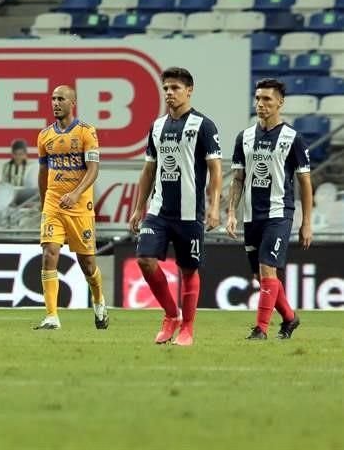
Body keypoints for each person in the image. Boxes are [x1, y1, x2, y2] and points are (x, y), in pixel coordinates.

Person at [129, 67, 222, 346]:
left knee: (188, 270)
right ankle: (171, 315)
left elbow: (215, 170)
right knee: (145, 260)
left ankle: (188, 328)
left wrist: (214, 207)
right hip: (158, 211)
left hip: (189, 213)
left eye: (175, 88)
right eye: (166, 88)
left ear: (189, 90)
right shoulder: (156, 126)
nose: (169, 93)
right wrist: (138, 208)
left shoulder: (204, 126)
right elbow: (148, 170)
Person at [225, 78, 312, 340]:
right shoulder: (245, 137)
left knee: (266, 269)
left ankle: (260, 330)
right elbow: (238, 178)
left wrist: (306, 222)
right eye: (258, 98)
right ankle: (289, 317)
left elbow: (305, 182)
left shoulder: (293, 138)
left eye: (267, 99)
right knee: (260, 275)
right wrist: (231, 212)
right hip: (252, 215)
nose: (260, 104)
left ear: (280, 103)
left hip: (279, 213)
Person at [35, 85, 108, 331]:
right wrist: (43, 201)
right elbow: (43, 171)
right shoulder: (45, 136)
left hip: (79, 205)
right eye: (53, 99)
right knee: (49, 254)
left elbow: (93, 169)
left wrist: (76, 193)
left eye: (61, 99)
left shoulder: (87, 132)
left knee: (87, 263)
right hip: (53, 204)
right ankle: (52, 316)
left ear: (72, 102)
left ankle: (98, 300)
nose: (55, 103)